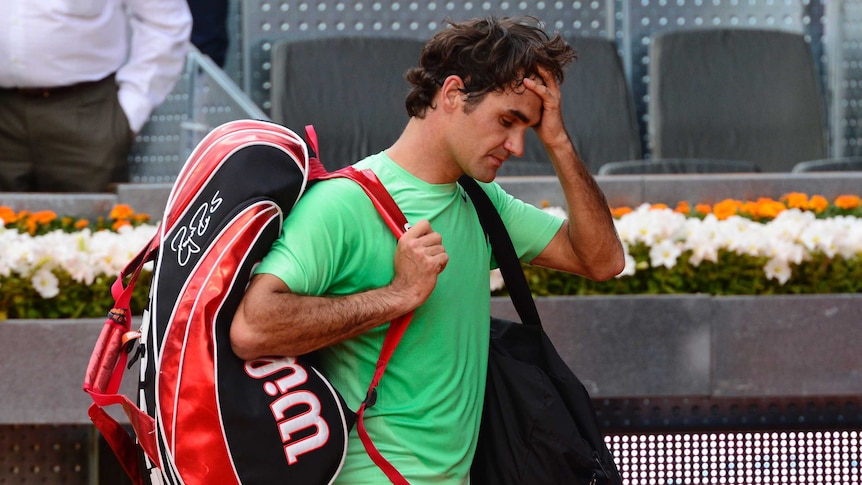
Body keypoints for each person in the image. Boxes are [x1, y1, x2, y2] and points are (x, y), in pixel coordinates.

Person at [230, 16, 625, 484]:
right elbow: (252, 328)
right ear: (453, 94)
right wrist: (398, 296)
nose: (518, 145)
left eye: (529, 129)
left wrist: (558, 142)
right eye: (507, 121)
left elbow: (602, 261)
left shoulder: (482, 202)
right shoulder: (344, 204)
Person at [0, 0, 192, 193]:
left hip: (89, 111)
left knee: (94, 220)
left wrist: (132, 110)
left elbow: (166, 22)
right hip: (4, 115)